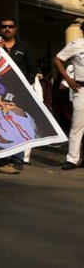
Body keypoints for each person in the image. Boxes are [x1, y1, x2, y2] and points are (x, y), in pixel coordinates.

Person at [0, 18, 33, 174]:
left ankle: (17, 158)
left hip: (18, 92)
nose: (7, 29)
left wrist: (24, 87)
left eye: (10, 26)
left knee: (18, 123)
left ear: (15, 29)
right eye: (4, 26)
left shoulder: (24, 48)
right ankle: (1, 158)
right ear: (0, 28)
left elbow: (31, 69)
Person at [54, 34, 84, 170]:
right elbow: (57, 60)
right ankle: (72, 159)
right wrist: (68, 79)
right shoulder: (76, 45)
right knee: (78, 125)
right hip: (81, 89)